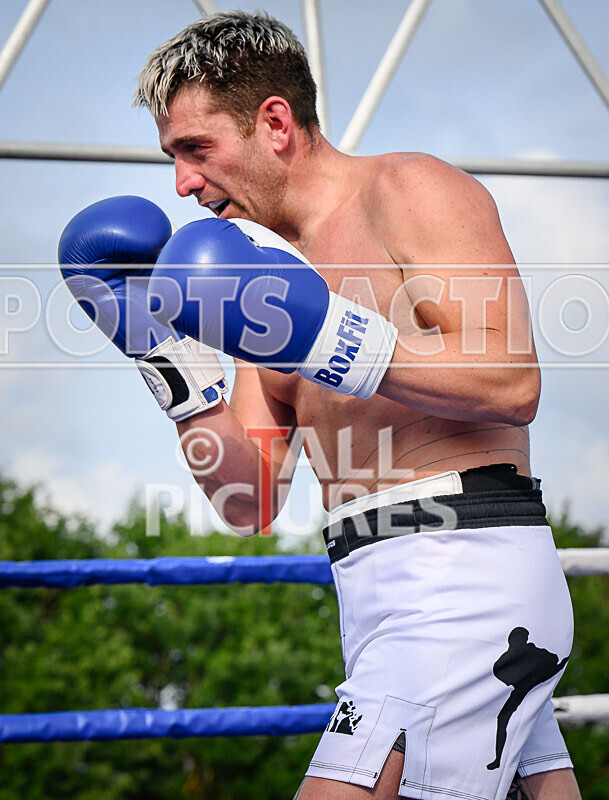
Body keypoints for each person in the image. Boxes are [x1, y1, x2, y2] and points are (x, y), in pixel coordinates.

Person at [59, 10, 580, 800]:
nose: (182, 184)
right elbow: (248, 496)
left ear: (274, 122)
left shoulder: (408, 189)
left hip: (463, 577)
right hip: (371, 597)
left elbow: (511, 380)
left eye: (196, 150)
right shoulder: (255, 279)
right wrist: (170, 371)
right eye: (171, 158)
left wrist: (327, 337)